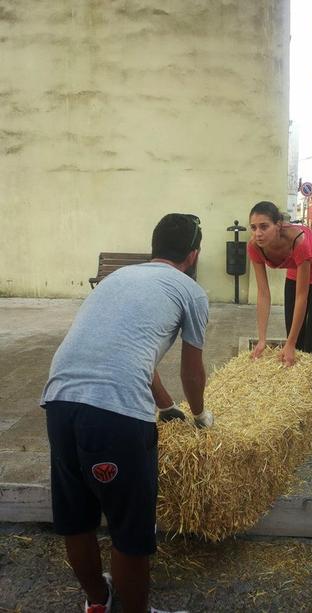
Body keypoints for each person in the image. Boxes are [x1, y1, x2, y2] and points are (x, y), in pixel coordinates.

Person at [41, 213, 213, 613]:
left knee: (77, 517)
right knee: (130, 529)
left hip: (59, 400)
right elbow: (192, 370)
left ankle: (98, 603)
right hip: (114, 417)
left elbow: (126, 349)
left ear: (153, 247)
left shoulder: (117, 278)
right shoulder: (190, 291)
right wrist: (200, 417)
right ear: (193, 254)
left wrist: (166, 407)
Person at [248, 201, 312, 366]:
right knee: (294, 338)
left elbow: (301, 297)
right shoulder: (254, 246)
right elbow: (263, 293)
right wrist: (262, 339)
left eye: (264, 226)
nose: (258, 233)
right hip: (297, 271)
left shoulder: (299, 241)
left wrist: (289, 344)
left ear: (278, 225)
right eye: (253, 228)